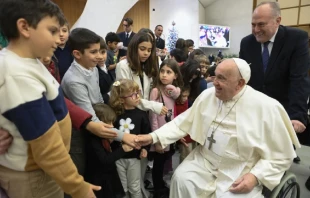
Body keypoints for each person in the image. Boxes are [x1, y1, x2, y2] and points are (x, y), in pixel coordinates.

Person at [135, 58, 300, 198]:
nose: (214, 83)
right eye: (215, 77)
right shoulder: (208, 96)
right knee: (181, 179)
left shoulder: (267, 107)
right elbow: (182, 122)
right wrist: (153, 137)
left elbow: (281, 156)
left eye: (221, 78)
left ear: (240, 83)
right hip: (205, 161)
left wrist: (255, 177)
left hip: (242, 169)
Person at [0, 0, 100, 197]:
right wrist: (79, 187)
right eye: (52, 31)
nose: (59, 39)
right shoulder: (17, 75)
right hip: (34, 177)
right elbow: (47, 149)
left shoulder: (28, 63)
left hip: (43, 172)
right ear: (24, 27)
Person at [239, 1, 309, 164]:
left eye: (261, 24)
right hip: (254, 108)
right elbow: (242, 76)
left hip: (281, 106)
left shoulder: (296, 39)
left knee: (276, 156)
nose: (256, 30)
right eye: (253, 24)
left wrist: (297, 115)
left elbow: (299, 78)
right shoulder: (247, 43)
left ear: (277, 21)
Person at [109, 79, 150, 198]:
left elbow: (147, 133)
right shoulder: (114, 115)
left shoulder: (142, 115)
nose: (137, 97)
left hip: (134, 158)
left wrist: (145, 148)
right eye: (133, 95)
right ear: (121, 99)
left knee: (135, 186)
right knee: (122, 188)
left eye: (138, 93)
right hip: (118, 157)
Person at [149, 59, 183, 197]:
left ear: (175, 75)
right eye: (162, 71)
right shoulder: (156, 91)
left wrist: (173, 88)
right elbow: (153, 117)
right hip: (160, 134)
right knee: (158, 164)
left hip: (170, 133)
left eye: (169, 72)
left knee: (164, 161)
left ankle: (161, 184)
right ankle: (157, 189)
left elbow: (177, 95)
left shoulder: (171, 91)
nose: (164, 75)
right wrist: (157, 139)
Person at [85, 103, 133, 198]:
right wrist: (122, 149)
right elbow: (104, 160)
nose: (111, 126)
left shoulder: (102, 137)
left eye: (112, 122)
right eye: (108, 123)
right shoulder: (92, 140)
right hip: (100, 181)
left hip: (108, 177)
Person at [97, 37, 114, 103]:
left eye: (103, 52)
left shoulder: (104, 67)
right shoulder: (95, 71)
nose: (101, 57)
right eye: (97, 53)